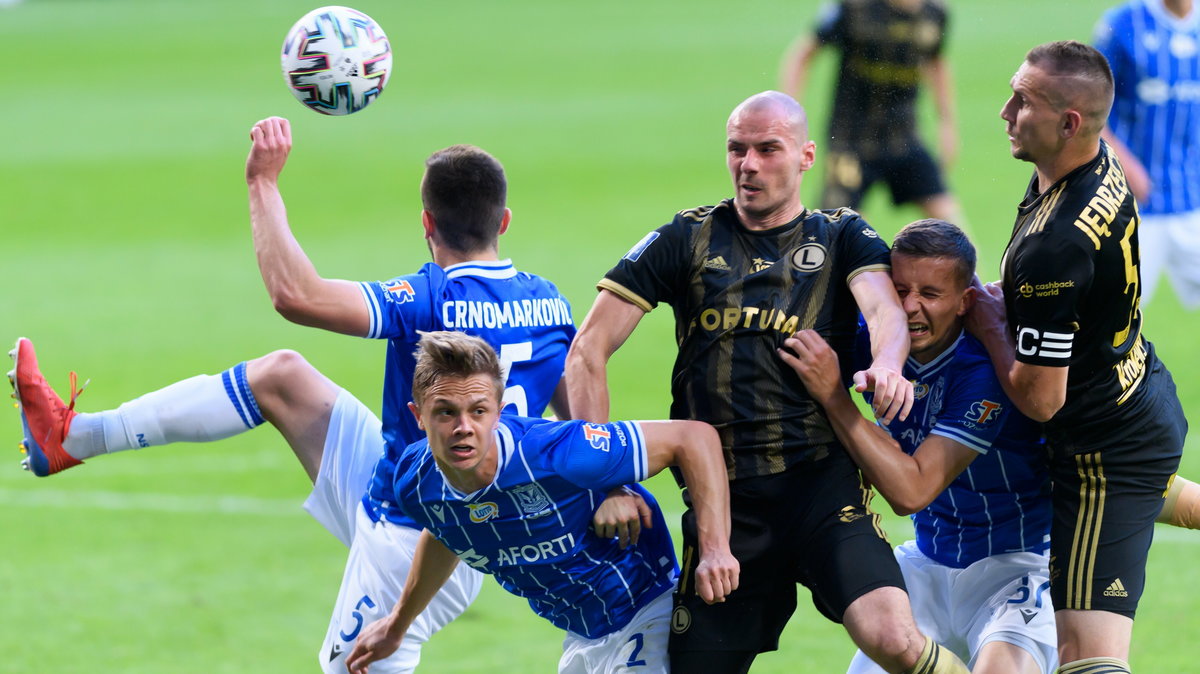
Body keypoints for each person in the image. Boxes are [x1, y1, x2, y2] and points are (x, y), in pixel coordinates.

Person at [9, 122, 640, 673]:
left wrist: (263, 183)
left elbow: (296, 294)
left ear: (425, 223)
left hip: (420, 533)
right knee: (280, 377)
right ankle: (71, 438)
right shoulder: (550, 302)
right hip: (420, 493)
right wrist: (606, 484)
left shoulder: (428, 297)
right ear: (503, 222)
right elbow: (573, 408)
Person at [566, 90, 969, 674]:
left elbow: (883, 312)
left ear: (806, 157)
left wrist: (885, 365)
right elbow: (587, 350)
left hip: (822, 491)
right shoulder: (687, 239)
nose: (747, 164)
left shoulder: (841, 235)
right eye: (737, 149)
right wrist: (603, 480)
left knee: (893, 638)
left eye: (766, 149)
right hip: (724, 505)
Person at [968, 41, 1188, 673]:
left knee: (1087, 661)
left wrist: (988, 324)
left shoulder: (1052, 248)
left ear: (1070, 123)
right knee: (1165, 498)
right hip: (1137, 393)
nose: (1005, 112)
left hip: (1100, 456)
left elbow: (1041, 399)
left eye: (1024, 102)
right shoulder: (1096, 162)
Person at [342, 331, 739, 674]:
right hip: (580, 636)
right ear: (418, 416)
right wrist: (397, 625)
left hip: (646, 610)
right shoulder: (415, 482)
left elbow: (694, 438)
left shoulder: (553, 454)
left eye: (478, 411)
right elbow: (447, 529)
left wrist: (715, 550)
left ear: (498, 412)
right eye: (445, 412)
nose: (463, 428)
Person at [780, 219, 1057, 674]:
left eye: (930, 294)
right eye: (900, 290)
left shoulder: (981, 372)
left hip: (1015, 565)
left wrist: (835, 398)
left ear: (964, 301)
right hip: (928, 560)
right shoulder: (867, 339)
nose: (910, 308)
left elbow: (912, 492)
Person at [780, 0, 963, 224]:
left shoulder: (935, 13)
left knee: (953, 226)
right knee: (842, 231)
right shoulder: (853, 8)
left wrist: (947, 125)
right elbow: (804, 54)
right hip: (850, 142)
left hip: (904, 138)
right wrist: (789, 117)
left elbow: (935, 62)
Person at [1094, 0, 1200, 308]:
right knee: (1111, 319)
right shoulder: (1124, 24)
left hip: (1193, 199)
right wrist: (1127, 167)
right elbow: (1087, 105)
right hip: (1133, 204)